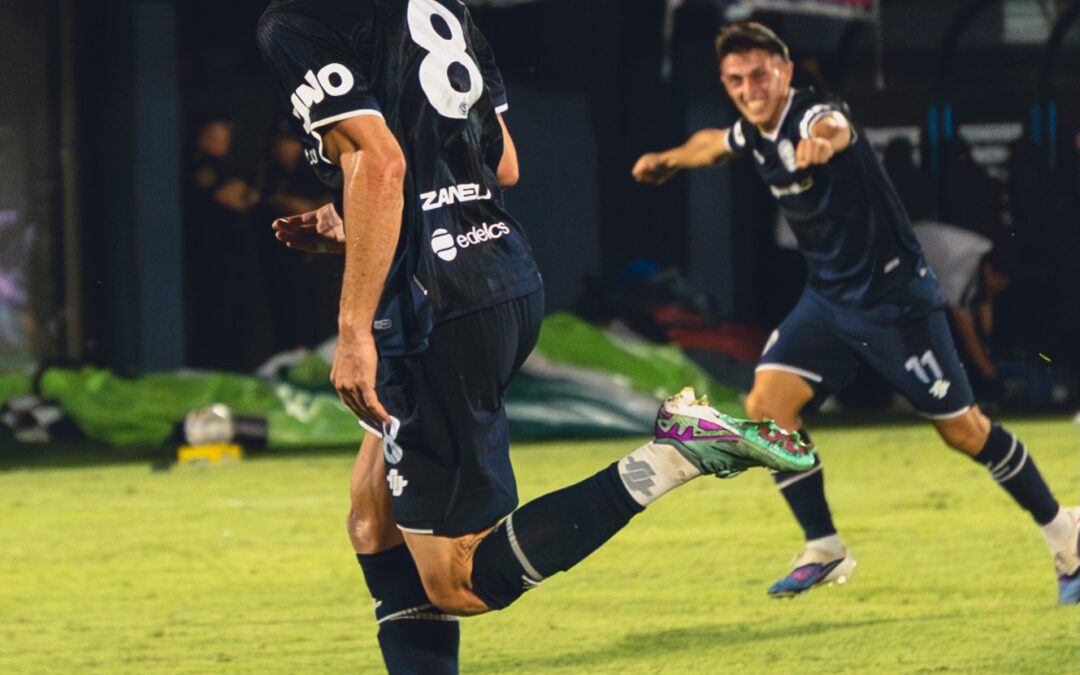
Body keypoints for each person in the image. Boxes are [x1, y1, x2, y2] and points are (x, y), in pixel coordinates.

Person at [256, 3, 813, 673]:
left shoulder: (298, 21)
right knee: (373, 521)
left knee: (455, 580)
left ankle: (677, 455)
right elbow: (502, 163)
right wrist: (362, 219)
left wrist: (352, 331)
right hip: (503, 275)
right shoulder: (441, 7)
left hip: (435, 309)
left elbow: (381, 164)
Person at [631, 21, 1080, 604]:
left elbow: (833, 127)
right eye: (736, 79)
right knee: (767, 409)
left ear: (786, 72)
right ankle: (824, 547)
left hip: (897, 306)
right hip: (829, 305)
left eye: (761, 75)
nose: (750, 88)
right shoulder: (755, 130)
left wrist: (822, 142)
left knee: (965, 433)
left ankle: (1064, 530)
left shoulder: (814, 115)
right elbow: (715, 142)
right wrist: (667, 159)